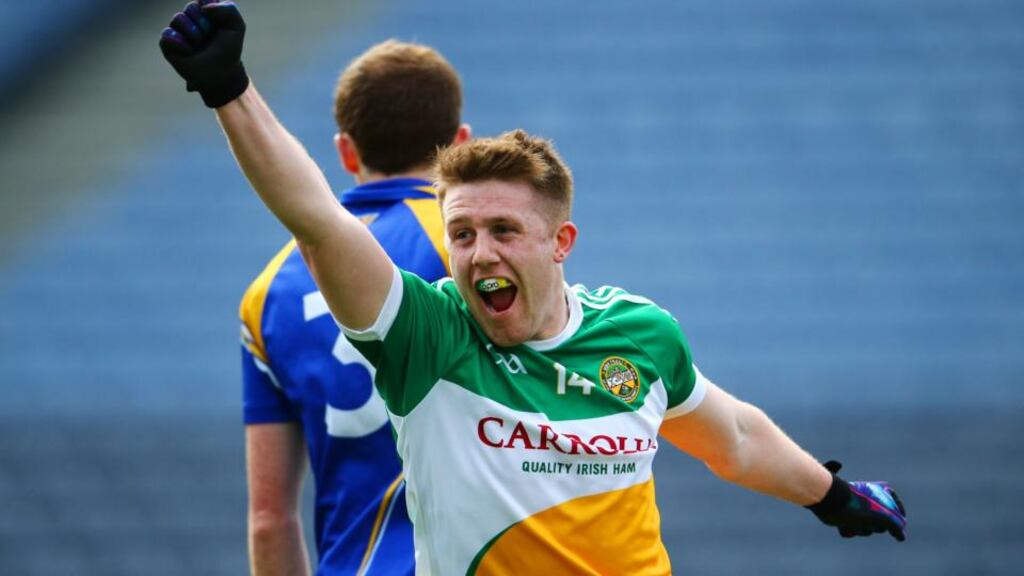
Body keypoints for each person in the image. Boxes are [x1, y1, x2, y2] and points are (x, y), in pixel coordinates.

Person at [160, 3, 908, 575]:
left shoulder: (640, 333)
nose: (477, 252)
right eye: (461, 234)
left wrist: (833, 496)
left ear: (561, 243)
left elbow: (736, 438)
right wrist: (231, 90)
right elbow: (318, 220)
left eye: (503, 231)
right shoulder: (427, 336)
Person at [223, 14, 470, 576]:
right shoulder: (473, 251)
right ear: (460, 144)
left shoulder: (267, 293)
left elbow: (269, 519)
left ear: (346, 151)